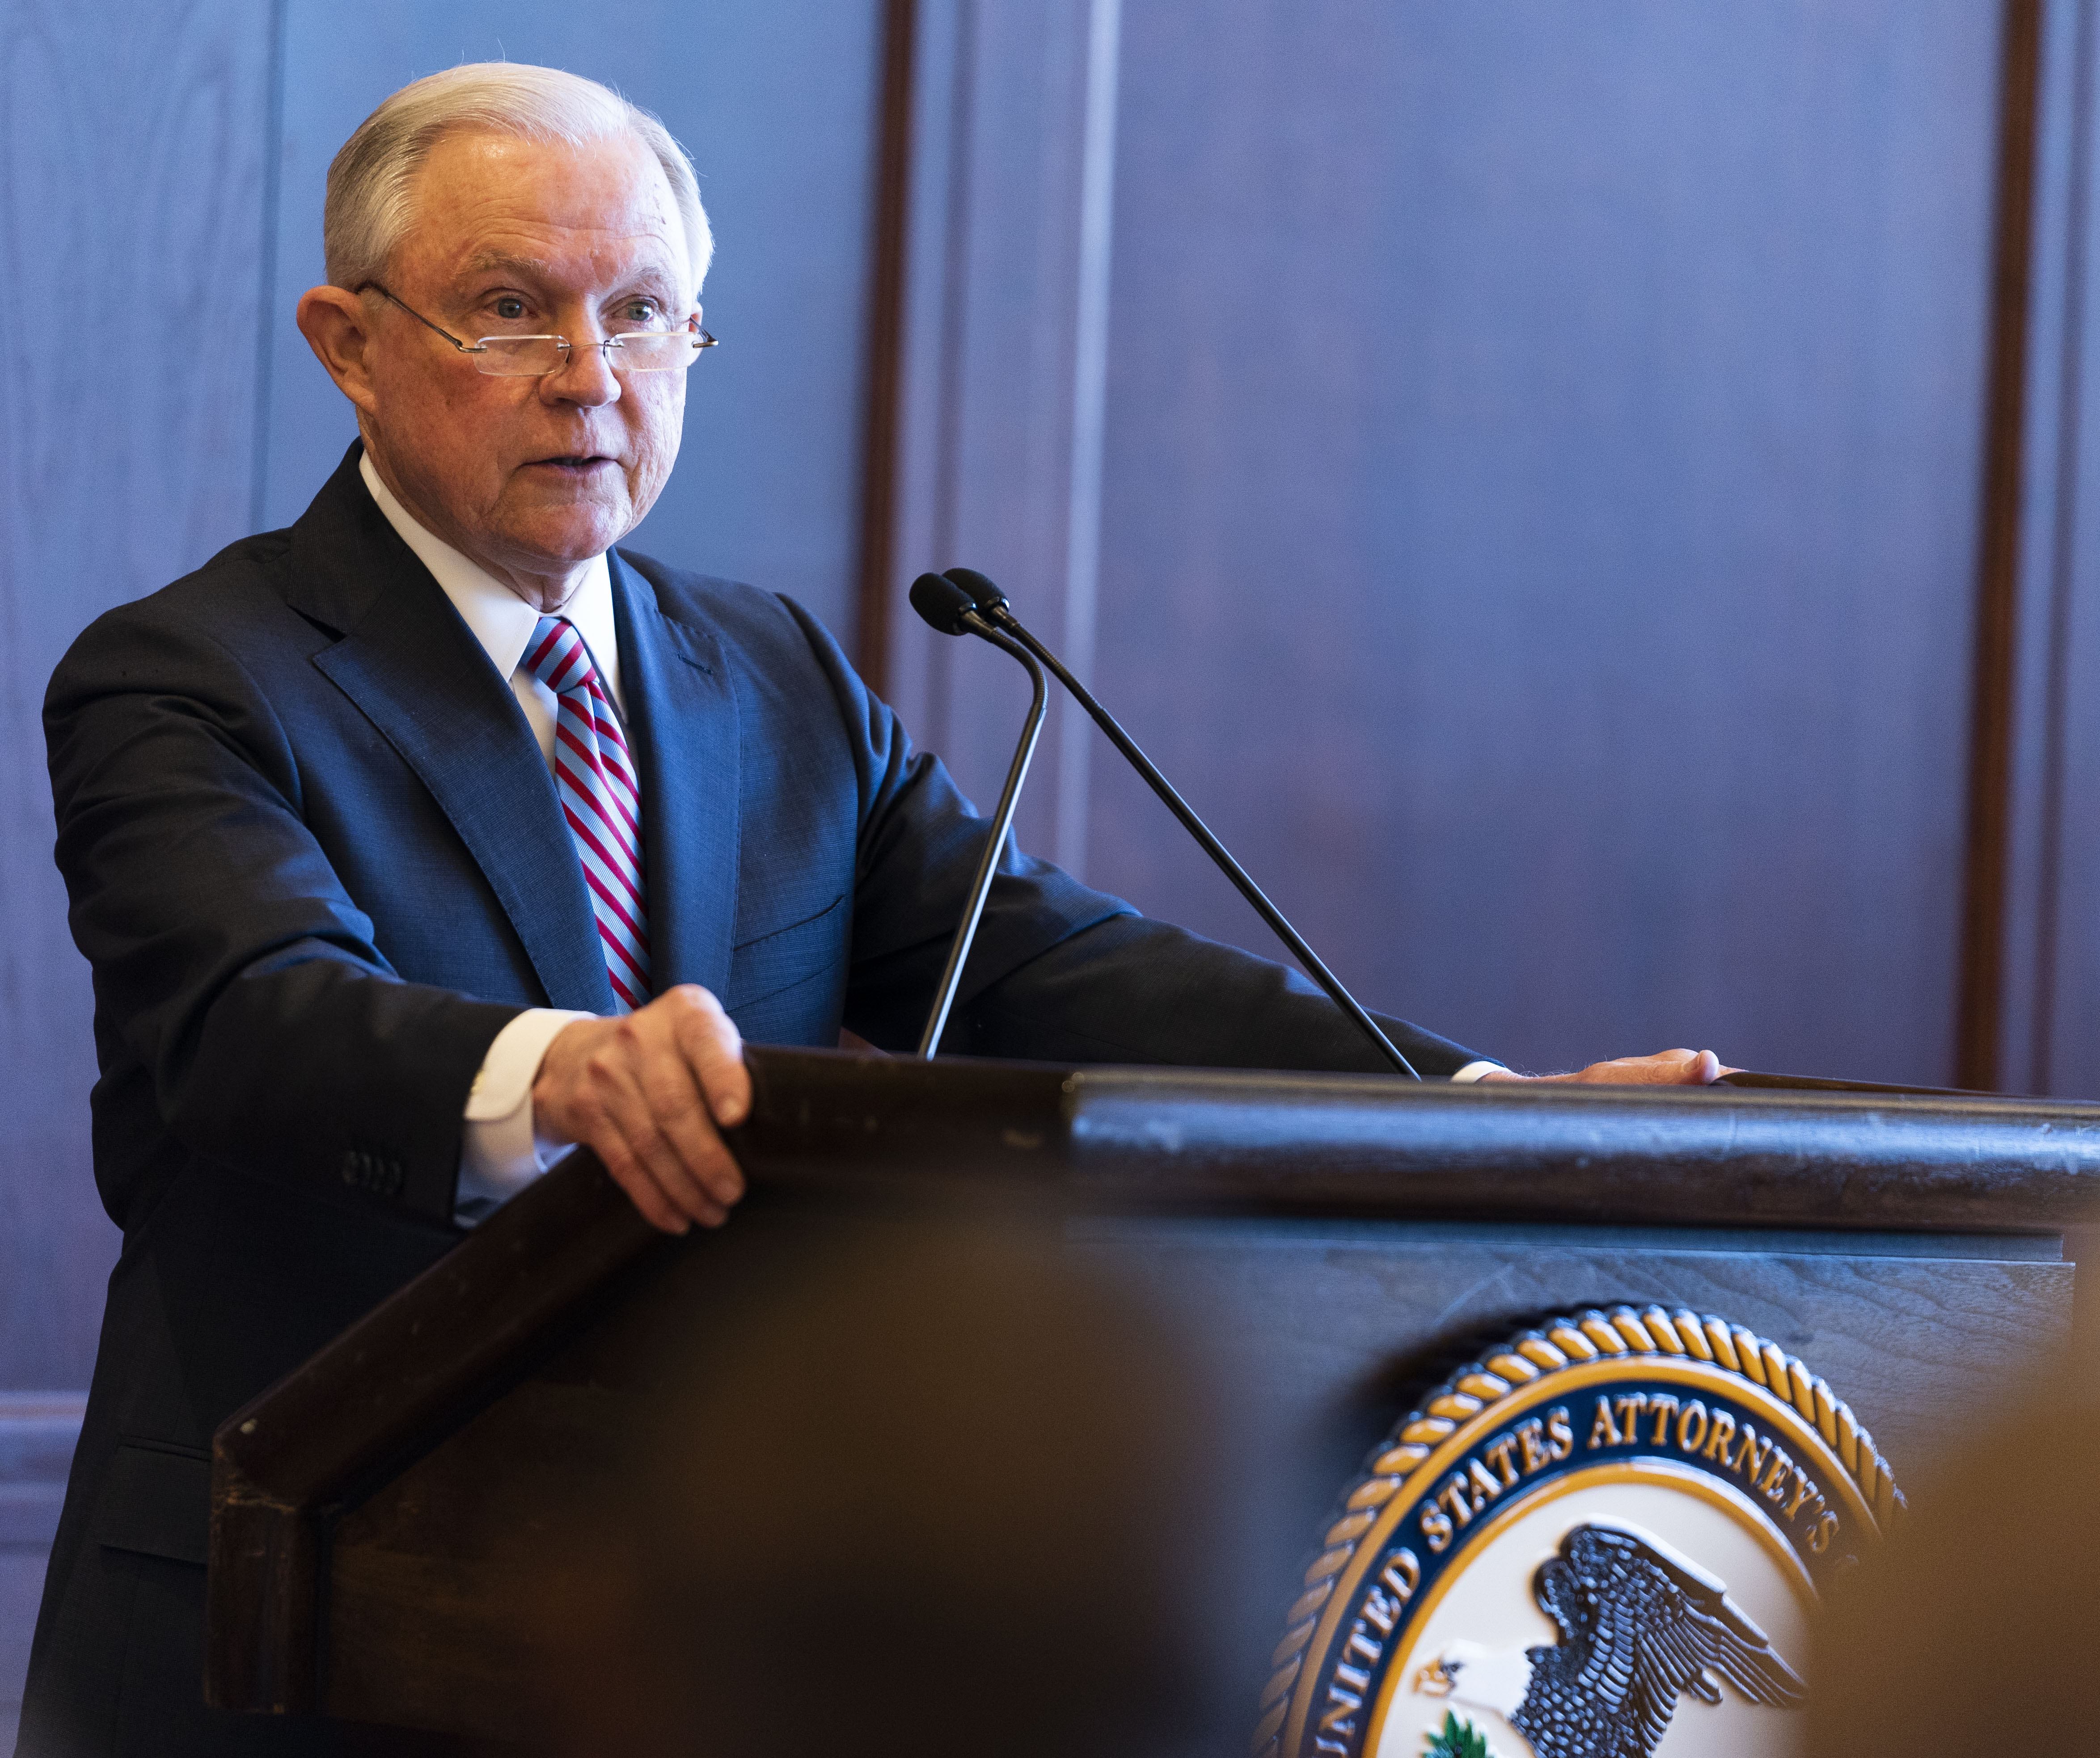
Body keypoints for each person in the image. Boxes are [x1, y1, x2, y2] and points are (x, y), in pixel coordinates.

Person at [17, 63, 1723, 1758]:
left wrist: (1476, 1115)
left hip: (681, 1631)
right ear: (350, 344)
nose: (591, 381)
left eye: (645, 315)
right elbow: (253, 1020)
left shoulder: (767, 679)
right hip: (294, 1609)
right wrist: (562, 1074)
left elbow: (1056, 968)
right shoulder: (193, 677)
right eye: (510, 313)